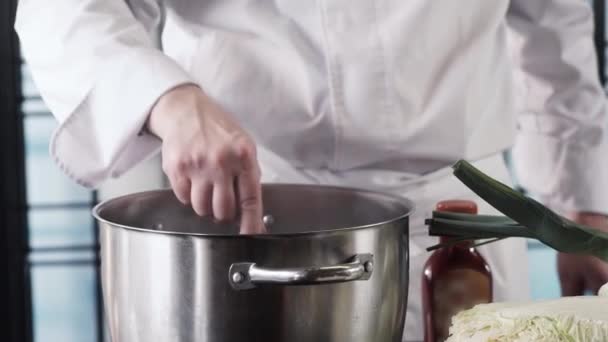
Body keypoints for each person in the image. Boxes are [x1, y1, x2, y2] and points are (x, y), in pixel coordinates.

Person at [15, 0, 608, 340]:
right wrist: (169, 100)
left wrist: (580, 199)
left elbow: (554, 22)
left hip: (461, 229)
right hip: (259, 227)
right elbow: (64, 10)